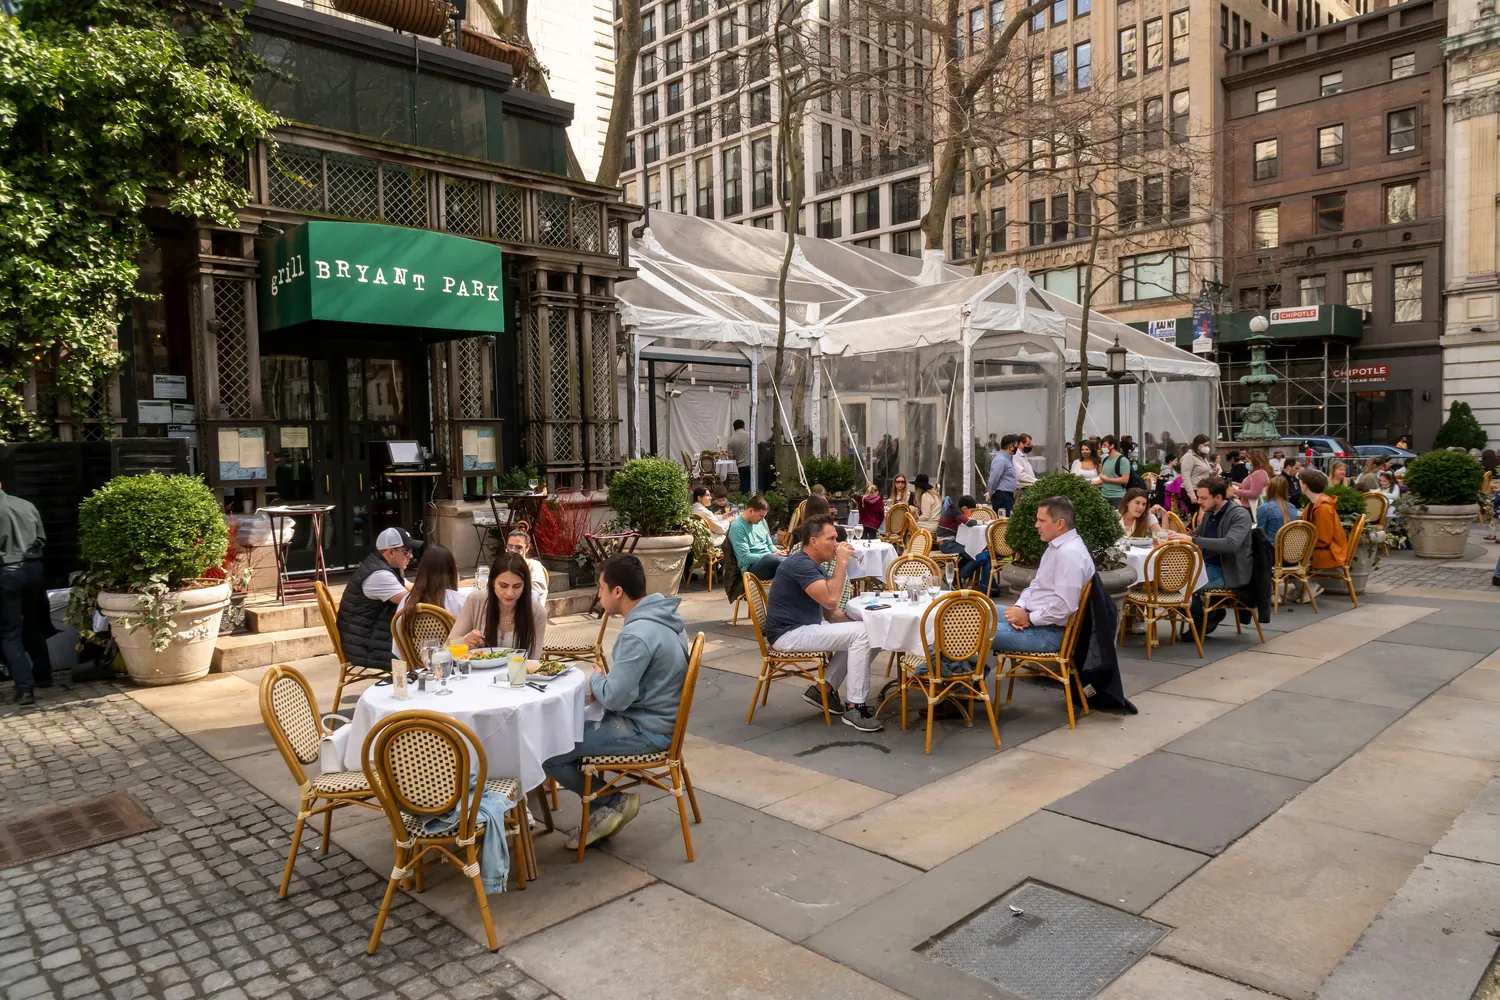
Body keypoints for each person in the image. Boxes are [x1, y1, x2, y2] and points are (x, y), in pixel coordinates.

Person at [544, 554, 689, 850]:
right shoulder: (666, 618)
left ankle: (612, 801)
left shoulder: (637, 634)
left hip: (647, 730)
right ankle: (607, 804)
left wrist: (597, 679)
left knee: (549, 749)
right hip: (661, 719)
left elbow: (615, 697)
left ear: (617, 592)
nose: (599, 594)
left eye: (601, 587)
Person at [763, 515, 881, 731]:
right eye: (831, 539)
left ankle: (823, 691)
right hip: (789, 633)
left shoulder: (813, 564)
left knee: (871, 631)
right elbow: (830, 599)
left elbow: (831, 614)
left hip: (807, 626)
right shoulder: (801, 564)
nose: (836, 544)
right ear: (814, 541)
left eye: (836, 539)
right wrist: (842, 563)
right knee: (863, 634)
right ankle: (855, 706)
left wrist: (862, 619)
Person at [991, 496, 1093, 655]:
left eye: (1042, 520)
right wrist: (1019, 608)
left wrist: (1029, 619)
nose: (1036, 525)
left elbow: (1064, 606)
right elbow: (1036, 585)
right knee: (969, 611)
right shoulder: (1056, 547)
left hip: (1049, 633)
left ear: (1060, 523)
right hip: (1035, 620)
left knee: (965, 631)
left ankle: (966, 675)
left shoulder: (1069, 554)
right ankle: (973, 673)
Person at [1168, 477, 1252, 634]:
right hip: (1207, 566)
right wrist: (1175, 535)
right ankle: (1208, 614)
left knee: (1180, 584)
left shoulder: (1239, 515)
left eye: (1203, 498)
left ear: (1218, 497)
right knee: (1169, 577)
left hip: (1229, 571)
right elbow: (1194, 534)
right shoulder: (1209, 513)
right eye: (1199, 497)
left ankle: (1203, 618)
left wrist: (1193, 539)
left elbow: (1231, 544)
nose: (1199, 501)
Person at [335, 526, 419, 676]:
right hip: (364, 646)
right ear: (391, 552)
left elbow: (411, 587)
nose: (411, 556)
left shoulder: (386, 566)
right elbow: (411, 602)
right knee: (422, 649)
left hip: (368, 637)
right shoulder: (379, 575)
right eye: (406, 552)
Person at [0, 480, 46, 704]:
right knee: (33, 622)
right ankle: (44, 675)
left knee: (10, 633)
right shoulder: (26, 504)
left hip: (7, 571)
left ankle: (25, 688)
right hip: (34, 568)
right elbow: (41, 539)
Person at [450, 552, 547, 658]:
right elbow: (448, 645)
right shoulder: (475, 601)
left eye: (517, 586)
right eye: (503, 585)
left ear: (525, 586)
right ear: (492, 583)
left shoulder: (537, 613)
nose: (510, 593)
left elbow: (533, 660)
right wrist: (465, 641)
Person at [390, 543, 466, 657]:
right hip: (456, 664)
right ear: (451, 571)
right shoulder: (460, 601)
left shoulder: (406, 601)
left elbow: (398, 649)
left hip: (416, 668)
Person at [1299, 468, 1348, 572]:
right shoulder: (1313, 503)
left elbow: (1323, 540)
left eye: (1300, 482)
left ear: (1305, 485)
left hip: (1328, 552)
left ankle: (1311, 585)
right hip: (1320, 549)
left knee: (1286, 557)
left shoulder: (1323, 508)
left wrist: (1301, 545)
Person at [727, 495, 785, 580]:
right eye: (761, 516)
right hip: (751, 569)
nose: (762, 519)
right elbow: (745, 558)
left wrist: (778, 553)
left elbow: (770, 545)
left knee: (794, 559)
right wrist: (771, 555)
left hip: (770, 561)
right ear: (751, 511)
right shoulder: (737, 527)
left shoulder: (762, 522)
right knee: (773, 560)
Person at [936, 494, 983, 583]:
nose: (971, 513)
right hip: (946, 543)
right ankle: (957, 579)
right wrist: (982, 521)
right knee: (976, 555)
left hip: (947, 542)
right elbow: (968, 522)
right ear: (965, 508)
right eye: (971, 511)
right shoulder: (955, 512)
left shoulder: (954, 510)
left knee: (971, 554)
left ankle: (953, 576)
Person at [505, 529, 550, 600]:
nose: (513, 550)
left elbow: (536, 589)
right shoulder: (503, 565)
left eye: (518, 547)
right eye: (510, 546)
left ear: (527, 548)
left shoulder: (534, 565)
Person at [1256, 473, 1297, 547]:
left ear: (1269, 489)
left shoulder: (1265, 508)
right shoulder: (1293, 508)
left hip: (1272, 551)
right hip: (1291, 551)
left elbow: (1260, 534)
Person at [1178, 435, 1214, 509]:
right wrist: (1191, 495)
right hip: (1193, 490)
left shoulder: (1202, 457)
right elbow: (1186, 477)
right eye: (1205, 445)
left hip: (1202, 490)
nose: (1207, 447)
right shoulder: (1189, 457)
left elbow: (1204, 473)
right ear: (1198, 445)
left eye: (1208, 445)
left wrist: (1213, 473)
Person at [987, 434, 1019, 513]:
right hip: (1002, 496)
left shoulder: (1007, 459)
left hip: (1007, 495)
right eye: (1016, 446)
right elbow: (993, 479)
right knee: (1003, 521)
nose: (1017, 449)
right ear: (1011, 446)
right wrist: (990, 493)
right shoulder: (1001, 460)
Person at [1098, 435, 1131, 508]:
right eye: (1102, 445)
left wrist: (1107, 479)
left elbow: (1125, 480)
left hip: (1118, 497)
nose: (1103, 448)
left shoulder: (1122, 460)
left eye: (1105, 445)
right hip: (1104, 496)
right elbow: (1103, 478)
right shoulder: (1105, 460)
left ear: (1112, 445)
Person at [728, 418, 753, 489]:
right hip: (751, 464)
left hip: (741, 466)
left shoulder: (731, 440)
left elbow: (731, 457)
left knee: (744, 486)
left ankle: (744, 499)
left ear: (734, 428)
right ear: (744, 426)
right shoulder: (750, 435)